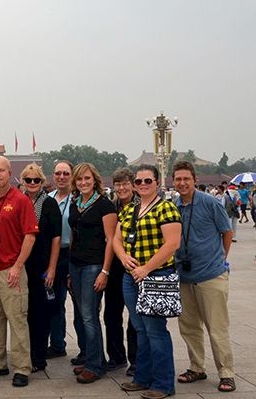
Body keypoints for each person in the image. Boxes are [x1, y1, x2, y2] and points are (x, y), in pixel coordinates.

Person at [113, 164, 181, 399]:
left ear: (157, 182)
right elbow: (116, 239)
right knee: (140, 329)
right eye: (138, 182)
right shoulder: (130, 209)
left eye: (147, 181)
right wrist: (122, 257)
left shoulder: (166, 208)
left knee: (155, 330)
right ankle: (142, 377)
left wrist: (146, 268)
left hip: (156, 277)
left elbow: (172, 244)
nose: (142, 185)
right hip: (130, 277)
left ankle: (163, 383)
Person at [172, 161, 237, 393]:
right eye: (178, 179)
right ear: (173, 181)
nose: (182, 183)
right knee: (189, 326)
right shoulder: (173, 205)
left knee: (217, 327)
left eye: (186, 179)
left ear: (194, 179)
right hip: (184, 275)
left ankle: (226, 373)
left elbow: (226, 232)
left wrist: (220, 259)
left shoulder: (209, 202)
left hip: (210, 274)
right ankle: (196, 366)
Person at [0, 156, 38, 388]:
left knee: (17, 318)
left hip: (11, 269)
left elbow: (30, 236)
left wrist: (18, 265)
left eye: (2, 170)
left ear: (9, 172)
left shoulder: (21, 201)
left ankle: (22, 367)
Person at [68, 162, 116, 384]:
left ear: (95, 180)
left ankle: (95, 366)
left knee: (89, 316)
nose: (83, 182)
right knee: (82, 314)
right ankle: (94, 358)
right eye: (79, 179)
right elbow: (75, 236)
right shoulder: (75, 204)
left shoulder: (104, 205)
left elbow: (111, 240)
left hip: (94, 265)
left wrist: (105, 271)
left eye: (87, 178)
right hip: (76, 264)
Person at [19, 164, 61, 373]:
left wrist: (52, 268)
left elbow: (56, 238)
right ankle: (24, 354)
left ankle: (39, 357)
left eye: (36, 180)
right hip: (21, 263)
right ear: (22, 181)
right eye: (29, 180)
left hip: (42, 264)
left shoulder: (49, 203)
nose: (32, 184)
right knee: (22, 313)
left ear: (42, 182)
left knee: (40, 312)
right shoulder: (17, 201)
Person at [46, 160, 81, 362]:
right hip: (54, 256)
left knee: (80, 304)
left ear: (72, 176)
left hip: (73, 253)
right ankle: (57, 344)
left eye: (66, 173)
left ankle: (86, 349)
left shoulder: (78, 199)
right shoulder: (48, 199)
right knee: (55, 301)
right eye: (58, 173)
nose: (61, 177)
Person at [107, 168, 138, 376]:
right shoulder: (112, 206)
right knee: (111, 313)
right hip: (115, 265)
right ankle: (116, 357)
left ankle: (136, 360)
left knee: (135, 318)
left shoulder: (141, 205)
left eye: (125, 184)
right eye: (118, 184)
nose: (121, 188)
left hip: (136, 265)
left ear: (133, 185)